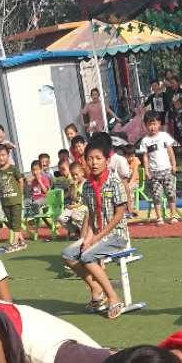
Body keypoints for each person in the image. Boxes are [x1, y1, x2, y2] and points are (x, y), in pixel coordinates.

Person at [62, 134, 129, 318]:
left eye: (98, 158)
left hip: (116, 235)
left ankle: (113, 297)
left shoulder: (115, 182)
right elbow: (91, 215)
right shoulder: (87, 186)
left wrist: (97, 238)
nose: (94, 162)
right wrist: (87, 238)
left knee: (87, 256)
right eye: (90, 158)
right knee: (68, 254)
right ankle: (96, 288)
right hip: (97, 235)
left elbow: (119, 215)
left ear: (107, 160)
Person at [138, 112, 180, 224]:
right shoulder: (145, 141)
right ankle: (159, 217)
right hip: (154, 172)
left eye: (154, 124)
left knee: (170, 193)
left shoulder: (164, 136)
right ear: (145, 125)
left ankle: (173, 215)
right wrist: (147, 170)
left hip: (167, 170)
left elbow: (170, 151)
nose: (152, 127)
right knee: (156, 195)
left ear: (159, 124)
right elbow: (145, 157)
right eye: (149, 125)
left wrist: (174, 165)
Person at [0, 143, 27, 252]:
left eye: (3, 155)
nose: (1, 158)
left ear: (8, 155)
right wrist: (1, 196)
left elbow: (20, 181)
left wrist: (20, 195)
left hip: (15, 201)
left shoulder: (13, 169)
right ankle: (22, 242)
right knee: (12, 224)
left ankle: (14, 244)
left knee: (16, 222)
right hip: (5, 202)